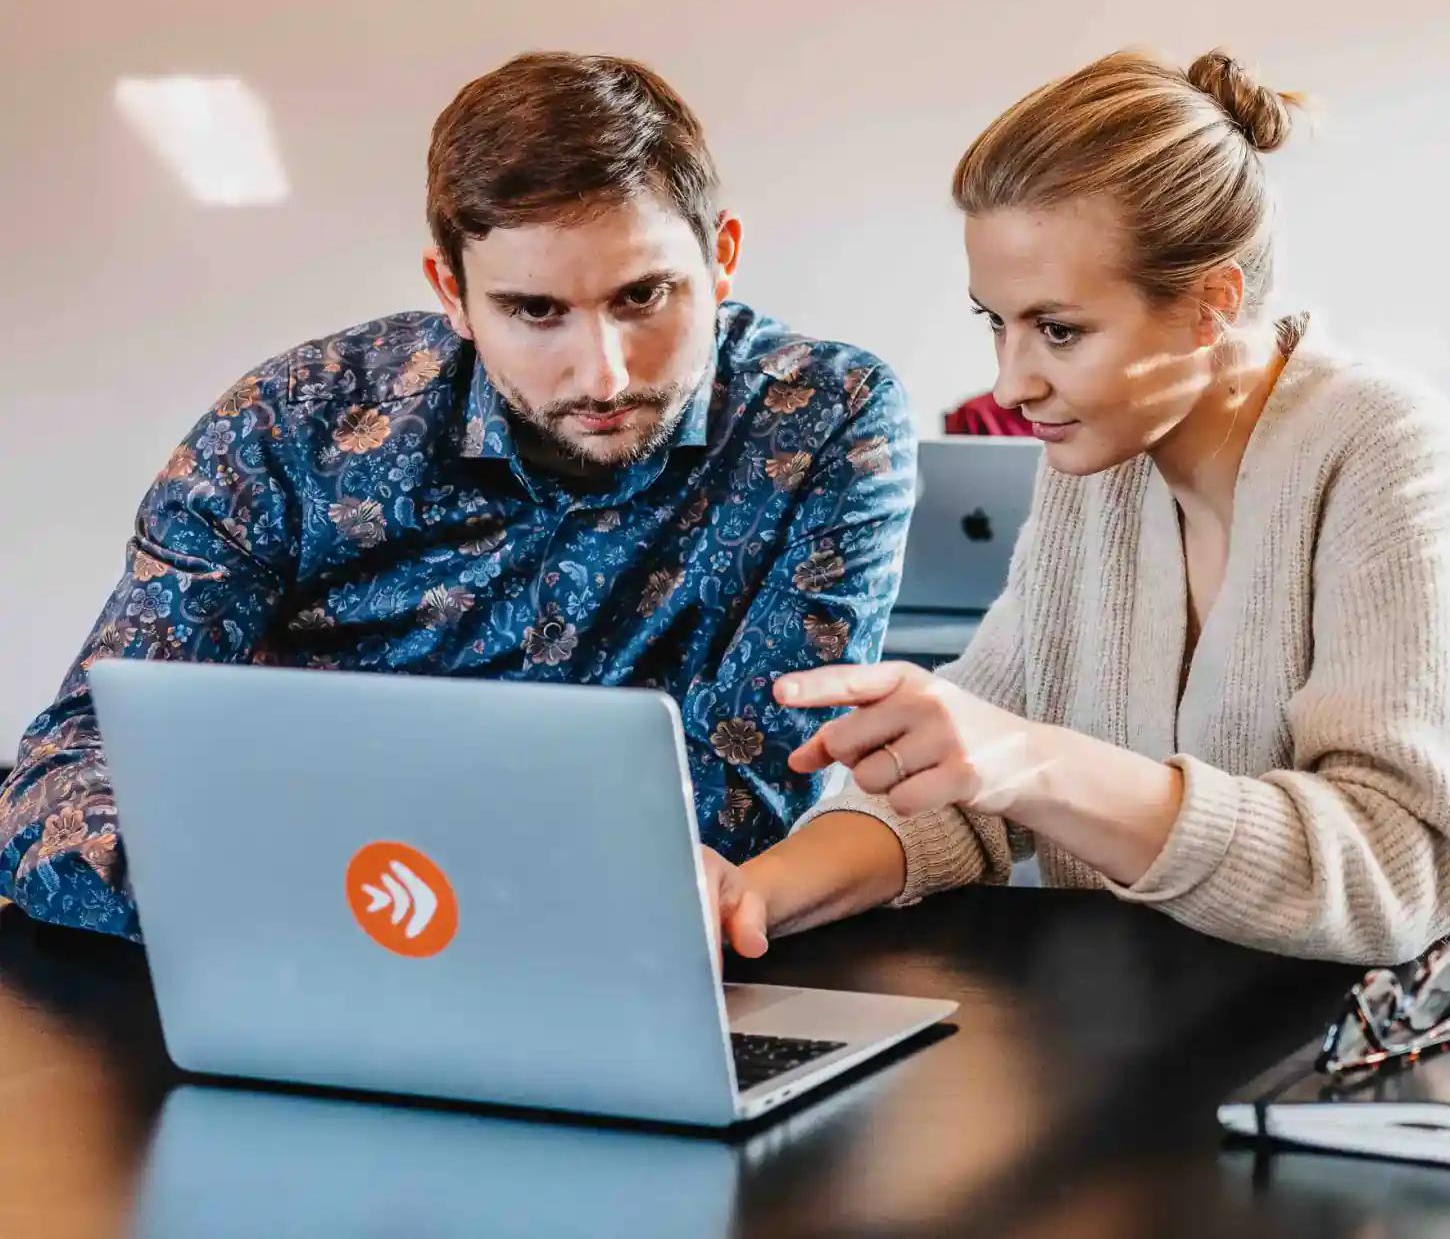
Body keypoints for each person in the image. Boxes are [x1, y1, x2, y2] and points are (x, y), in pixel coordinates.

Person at [704, 48, 1450, 968]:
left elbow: (1390, 873)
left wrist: (1034, 760)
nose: (1011, 383)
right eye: (995, 321)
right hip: (1177, 1023)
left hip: (1442, 1043)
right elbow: (965, 784)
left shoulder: (1388, 453)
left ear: (1213, 302)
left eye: (1059, 330)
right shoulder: (1095, 463)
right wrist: (754, 892)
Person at [0, 53, 915, 939]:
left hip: (616, 974)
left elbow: (747, 798)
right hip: (291, 953)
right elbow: (77, 756)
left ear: (722, 256)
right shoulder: (294, 422)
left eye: (644, 296)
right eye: (535, 310)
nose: (604, 375)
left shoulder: (824, 419)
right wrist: (264, 902)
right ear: (453, 290)